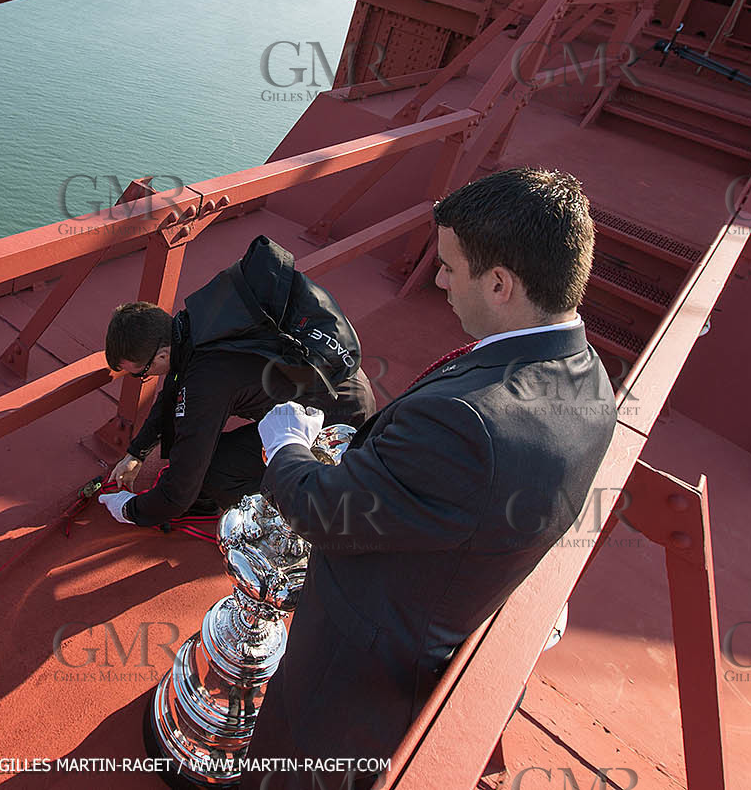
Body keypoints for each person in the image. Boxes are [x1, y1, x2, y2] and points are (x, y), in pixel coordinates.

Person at [245, 167, 618, 785]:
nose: (439, 279)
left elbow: (325, 514)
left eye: (449, 266)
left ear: (500, 284)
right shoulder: (588, 375)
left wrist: (285, 445)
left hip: (358, 674)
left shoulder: (467, 425)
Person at [97, 238, 376, 533]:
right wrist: (136, 453)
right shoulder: (198, 322)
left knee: (212, 472)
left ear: (162, 354)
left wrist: (129, 508)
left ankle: (298, 511)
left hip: (336, 423)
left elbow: (179, 492)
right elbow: (173, 390)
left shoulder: (207, 380)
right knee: (210, 451)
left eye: (141, 373)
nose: (145, 378)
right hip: (346, 389)